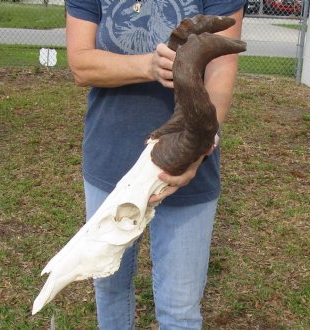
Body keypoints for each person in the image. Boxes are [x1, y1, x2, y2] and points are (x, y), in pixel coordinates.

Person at [65, 0, 245, 329]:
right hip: (111, 163)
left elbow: (222, 67)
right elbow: (80, 64)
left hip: (187, 166)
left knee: (180, 308)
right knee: (109, 286)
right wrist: (149, 66)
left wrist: (200, 148)